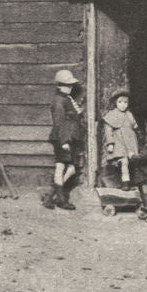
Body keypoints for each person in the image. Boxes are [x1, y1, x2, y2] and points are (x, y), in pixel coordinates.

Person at [43, 68, 84, 210]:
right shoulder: (58, 101)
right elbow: (59, 123)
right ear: (59, 86)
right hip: (63, 138)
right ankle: (61, 200)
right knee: (61, 167)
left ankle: (50, 196)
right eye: (67, 85)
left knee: (71, 169)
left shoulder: (67, 99)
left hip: (71, 138)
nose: (70, 87)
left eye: (71, 85)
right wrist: (64, 141)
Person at [102, 90, 139, 190]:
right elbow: (108, 130)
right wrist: (110, 143)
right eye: (120, 102)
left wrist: (135, 126)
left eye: (125, 102)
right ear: (115, 103)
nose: (123, 105)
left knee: (130, 161)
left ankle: (131, 182)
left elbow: (134, 125)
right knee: (123, 161)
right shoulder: (112, 115)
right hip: (119, 141)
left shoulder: (129, 114)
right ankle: (125, 182)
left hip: (129, 141)